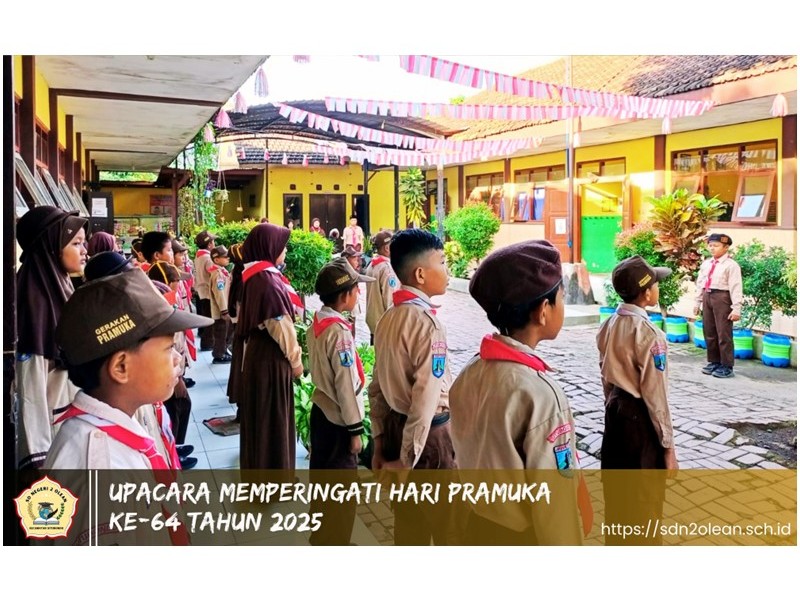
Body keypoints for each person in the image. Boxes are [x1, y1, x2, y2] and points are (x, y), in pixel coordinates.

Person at [449, 240, 589, 545]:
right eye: (561, 298)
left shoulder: (471, 370)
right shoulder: (539, 393)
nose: (563, 305)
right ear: (543, 311)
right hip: (523, 537)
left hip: (478, 525)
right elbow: (554, 504)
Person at [368, 229, 458, 545]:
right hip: (429, 440)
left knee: (409, 528)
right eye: (442, 262)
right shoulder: (427, 325)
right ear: (420, 274)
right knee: (449, 529)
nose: (447, 270)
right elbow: (425, 399)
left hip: (396, 431)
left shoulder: (388, 319)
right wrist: (407, 460)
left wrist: (380, 443)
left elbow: (377, 387)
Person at [598, 255, 679, 545]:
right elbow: (657, 397)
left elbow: (605, 376)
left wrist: (613, 407)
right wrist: (668, 448)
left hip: (615, 414)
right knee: (645, 500)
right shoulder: (650, 335)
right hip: (640, 421)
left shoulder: (609, 324)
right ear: (646, 294)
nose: (658, 288)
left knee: (618, 495)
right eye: (655, 284)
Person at [306, 258, 374, 545]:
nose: (359, 294)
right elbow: (346, 385)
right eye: (357, 289)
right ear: (345, 295)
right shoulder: (339, 333)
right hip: (339, 421)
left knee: (322, 481)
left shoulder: (318, 323)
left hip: (322, 412)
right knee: (342, 489)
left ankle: (321, 537)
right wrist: (355, 430)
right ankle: (336, 542)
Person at [14, 206, 88, 470]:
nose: (84, 250)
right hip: (52, 441)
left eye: (84, 242)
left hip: (70, 422)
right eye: (76, 243)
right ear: (51, 247)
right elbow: (30, 388)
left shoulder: (60, 285)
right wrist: (38, 460)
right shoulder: (34, 301)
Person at [237, 223, 305, 473]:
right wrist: (296, 362)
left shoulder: (256, 276)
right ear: (269, 247)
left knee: (262, 421)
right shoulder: (266, 280)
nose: (284, 251)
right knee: (273, 421)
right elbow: (281, 327)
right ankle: (275, 481)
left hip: (259, 356)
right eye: (282, 246)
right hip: (270, 359)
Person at [147, 261, 198, 469]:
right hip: (166, 370)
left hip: (173, 367)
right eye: (176, 280)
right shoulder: (158, 306)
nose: (179, 284)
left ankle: (175, 447)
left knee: (180, 407)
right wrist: (175, 375)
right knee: (176, 408)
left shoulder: (166, 300)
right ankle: (173, 451)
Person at [694, 233, 743, 378]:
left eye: (716, 246)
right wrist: (697, 301)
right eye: (710, 245)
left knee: (723, 333)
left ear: (726, 247)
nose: (712, 248)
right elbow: (700, 283)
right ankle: (714, 361)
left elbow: (736, 287)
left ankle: (726, 365)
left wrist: (736, 308)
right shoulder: (706, 264)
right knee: (709, 331)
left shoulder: (731, 265)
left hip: (722, 298)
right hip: (707, 296)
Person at [365, 230, 399, 346]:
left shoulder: (372, 265)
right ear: (387, 248)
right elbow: (390, 300)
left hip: (374, 322)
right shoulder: (387, 269)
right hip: (385, 326)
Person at [226, 243, 246, 419]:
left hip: (240, 329)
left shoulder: (237, 274)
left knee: (240, 369)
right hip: (245, 332)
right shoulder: (244, 280)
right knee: (243, 371)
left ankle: (242, 409)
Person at [208, 245, 233, 364]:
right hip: (220, 312)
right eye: (225, 257)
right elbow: (220, 294)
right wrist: (224, 310)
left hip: (223, 309)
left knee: (225, 332)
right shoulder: (218, 274)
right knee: (221, 333)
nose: (228, 258)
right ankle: (219, 355)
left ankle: (223, 351)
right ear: (216, 259)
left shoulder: (222, 271)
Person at [193, 230, 217, 351]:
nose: (214, 244)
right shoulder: (207, 258)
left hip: (201, 290)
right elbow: (213, 272)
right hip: (208, 291)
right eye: (213, 241)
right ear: (209, 244)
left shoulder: (199, 256)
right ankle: (207, 343)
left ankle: (206, 341)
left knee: (205, 315)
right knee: (210, 319)